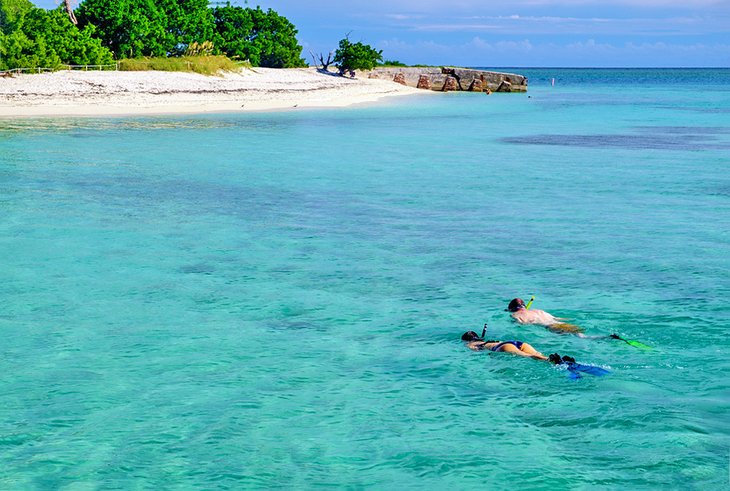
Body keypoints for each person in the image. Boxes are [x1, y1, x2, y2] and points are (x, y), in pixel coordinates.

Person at [461, 330, 574, 364]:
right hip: (516, 342)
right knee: (537, 355)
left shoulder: (471, 344)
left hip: (504, 346)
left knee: (528, 356)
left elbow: (476, 351)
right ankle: (560, 360)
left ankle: (553, 360)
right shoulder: (485, 340)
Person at [506, 297, 584, 335]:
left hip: (551, 327)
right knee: (580, 335)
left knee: (579, 336)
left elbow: (519, 325)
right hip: (562, 324)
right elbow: (556, 318)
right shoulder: (539, 311)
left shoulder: (515, 315)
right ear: (525, 306)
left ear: (511, 309)